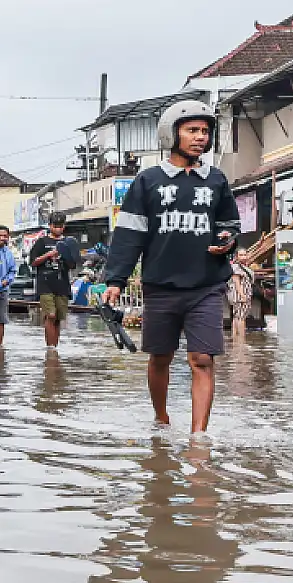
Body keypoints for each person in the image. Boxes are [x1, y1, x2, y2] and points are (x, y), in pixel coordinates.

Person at [104, 100, 241, 434]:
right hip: (160, 287)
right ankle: (161, 419)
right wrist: (115, 280)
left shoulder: (217, 181)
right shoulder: (148, 181)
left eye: (205, 131)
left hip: (206, 286)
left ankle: (199, 438)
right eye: (192, 130)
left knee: (202, 359)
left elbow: (231, 226)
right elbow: (129, 235)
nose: (200, 138)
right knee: (160, 358)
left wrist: (228, 241)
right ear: (171, 133)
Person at [29, 212, 80, 348]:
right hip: (45, 283)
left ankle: (54, 349)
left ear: (64, 227)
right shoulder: (41, 242)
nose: (58, 229)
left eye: (60, 226)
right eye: (55, 226)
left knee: (58, 318)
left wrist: (65, 256)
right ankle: (50, 348)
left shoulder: (69, 242)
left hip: (62, 284)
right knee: (50, 315)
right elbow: (33, 262)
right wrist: (49, 255)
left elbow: (73, 264)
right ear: (50, 226)